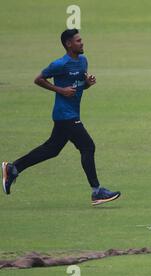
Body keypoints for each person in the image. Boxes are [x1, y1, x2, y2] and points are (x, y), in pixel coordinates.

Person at [2, 29, 120, 206]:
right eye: (78, 41)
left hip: (71, 114)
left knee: (52, 149)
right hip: (65, 115)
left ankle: (13, 168)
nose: (82, 43)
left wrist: (87, 84)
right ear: (68, 44)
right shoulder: (59, 64)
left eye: (82, 40)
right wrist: (60, 90)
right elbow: (39, 79)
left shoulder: (83, 61)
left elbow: (79, 86)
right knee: (88, 146)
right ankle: (97, 191)